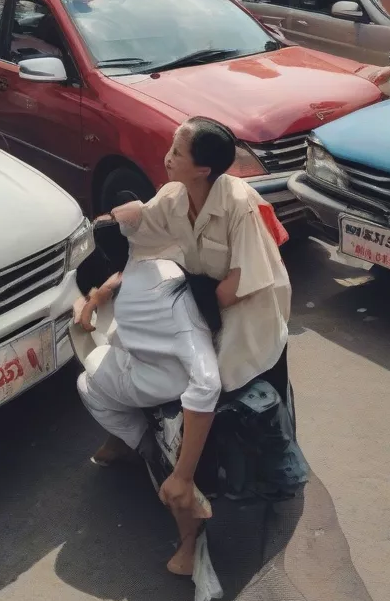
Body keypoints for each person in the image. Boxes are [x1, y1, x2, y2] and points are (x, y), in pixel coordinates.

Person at [109, 118, 291, 400]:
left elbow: (241, 282)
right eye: (172, 147)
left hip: (248, 316)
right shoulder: (173, 195)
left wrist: (191, 312)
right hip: (208, 304)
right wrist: (111, 220)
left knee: (239, 398)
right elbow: (144, 228)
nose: (168, 158)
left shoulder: (239, 205)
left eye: (178, 153)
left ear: (203, 170)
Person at [74, 231, 221, 576]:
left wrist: (183, 475)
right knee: (108, 351)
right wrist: (97, 298)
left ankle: (144, 447)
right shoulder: (163, 260)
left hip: (165, 381)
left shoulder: (155, 309)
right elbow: (123, 275)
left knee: (89, 377)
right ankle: (130, 441)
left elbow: (206, 383)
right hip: (183, 359)